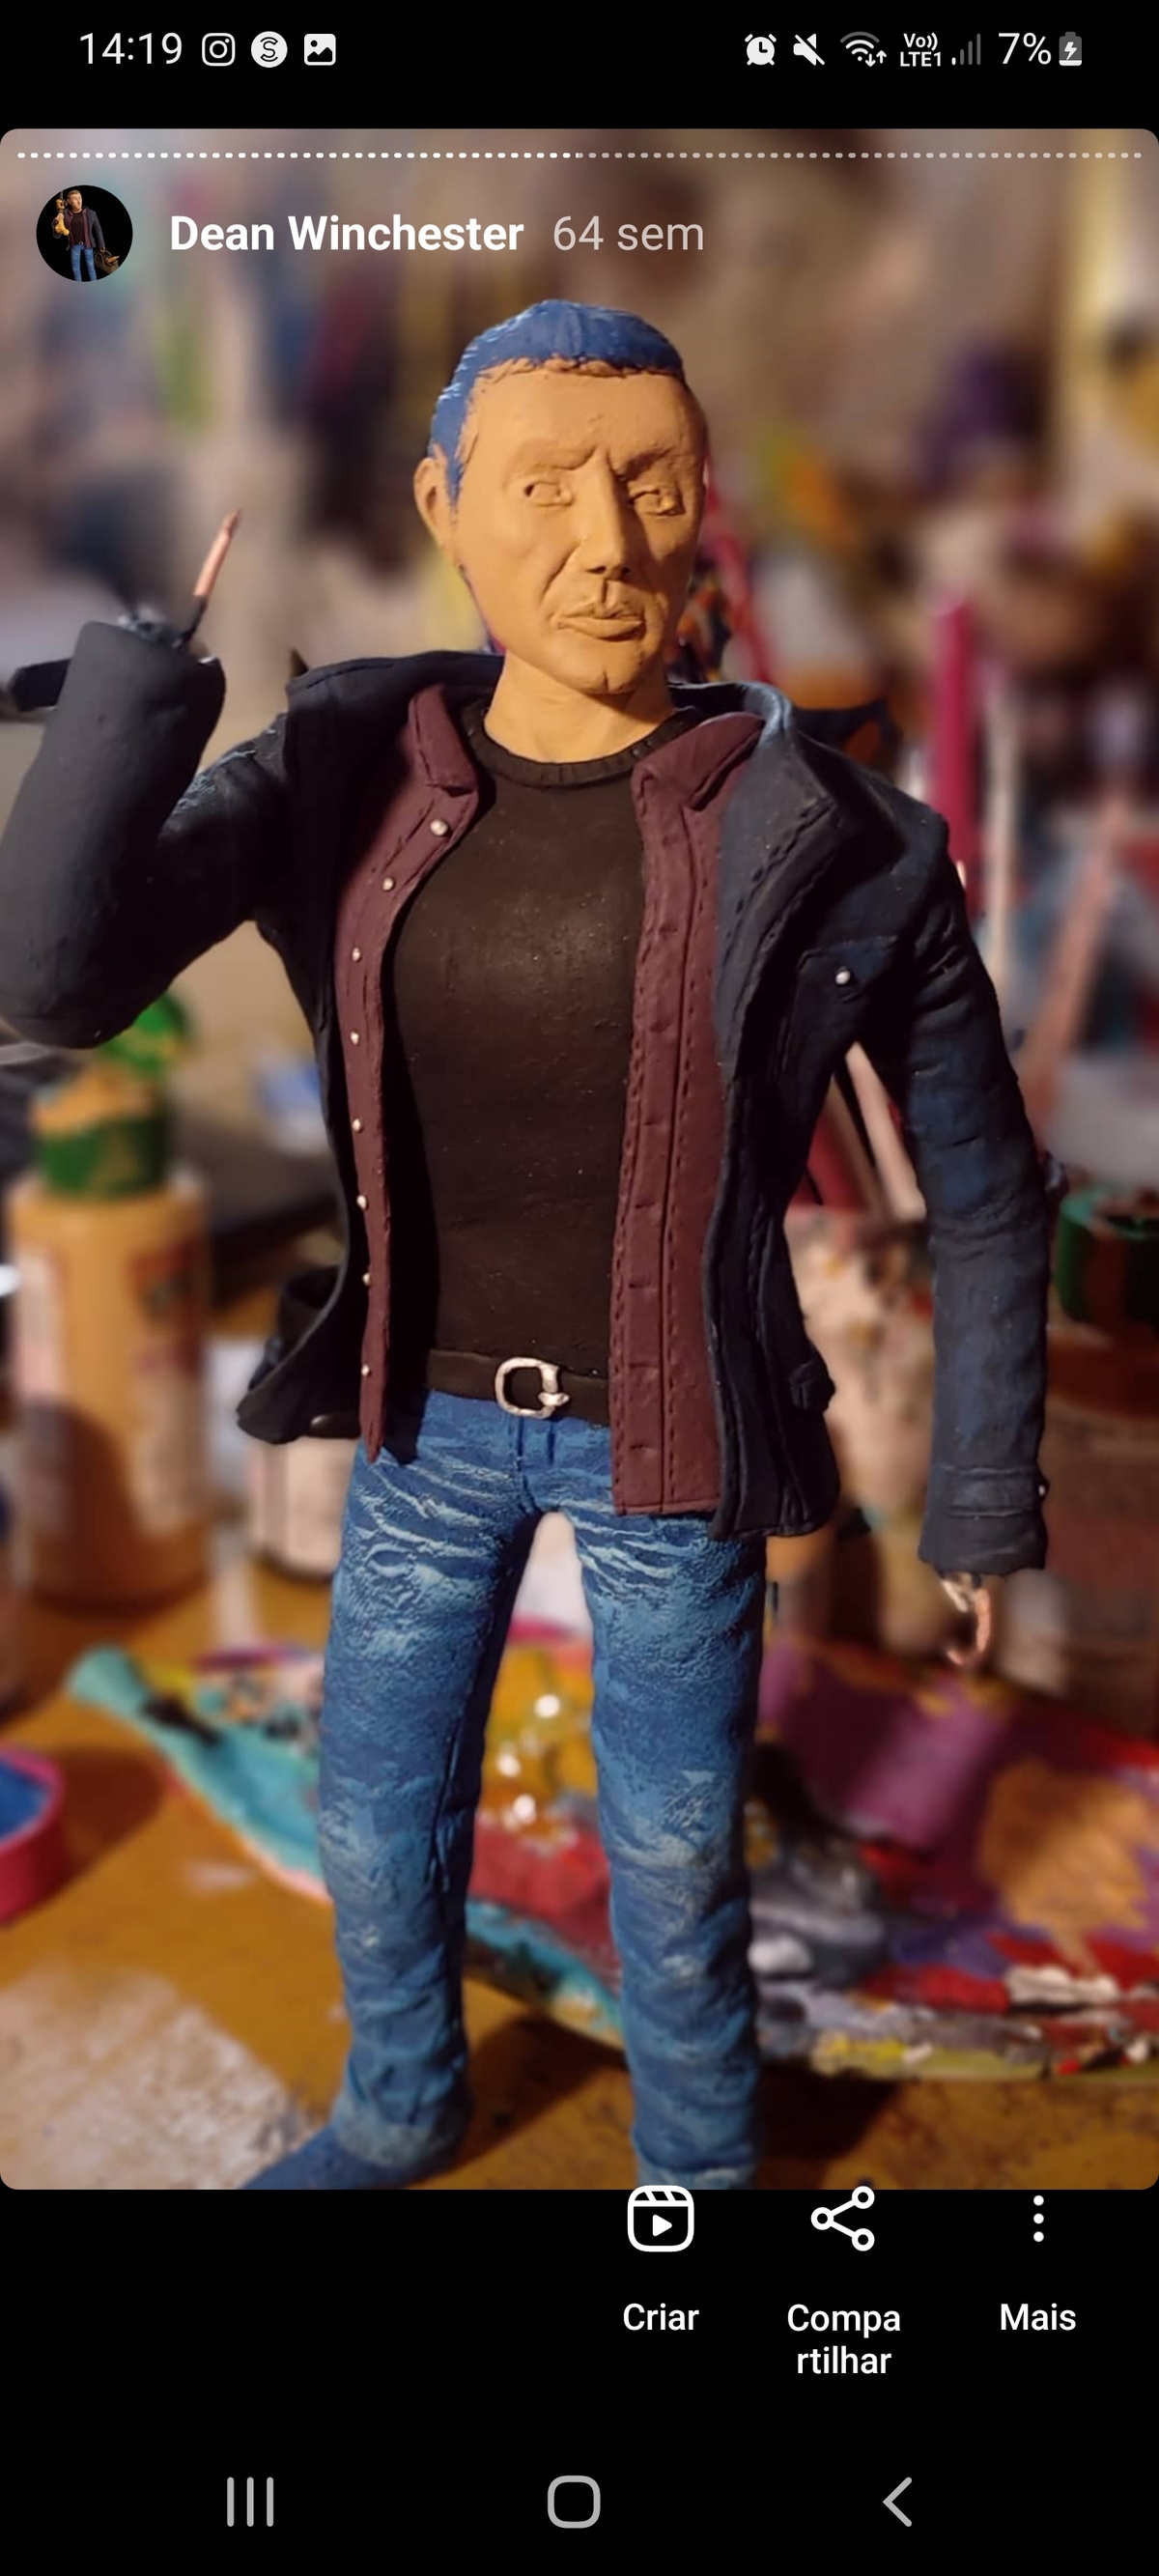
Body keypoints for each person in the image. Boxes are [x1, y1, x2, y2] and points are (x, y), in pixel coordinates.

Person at [0, 301, 1050, 2191]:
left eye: (653, 485)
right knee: (374, 1806)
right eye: (546, 487)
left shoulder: (848, 843)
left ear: (707, 502)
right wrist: (136, 700)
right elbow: (50, 985)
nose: (608, 544)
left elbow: (984, 1192)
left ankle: (696, 2167)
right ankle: (402, 2103)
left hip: (675, 1445)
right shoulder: (339, 765)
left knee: (674, 1845)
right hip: (427, 1425)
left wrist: (978, 1491)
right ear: (443, 507)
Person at [56, 188, 106, 282]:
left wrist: (101, 244)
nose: (79, 201)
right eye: (75, 199)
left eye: (80, 198)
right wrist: (56, 220)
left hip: (88, 245)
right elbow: (57, 233)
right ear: (69, 201)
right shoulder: (65, 214)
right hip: (74, 245)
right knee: (76, 269)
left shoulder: (90, 213)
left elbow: (98, 229)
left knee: (91, 266)